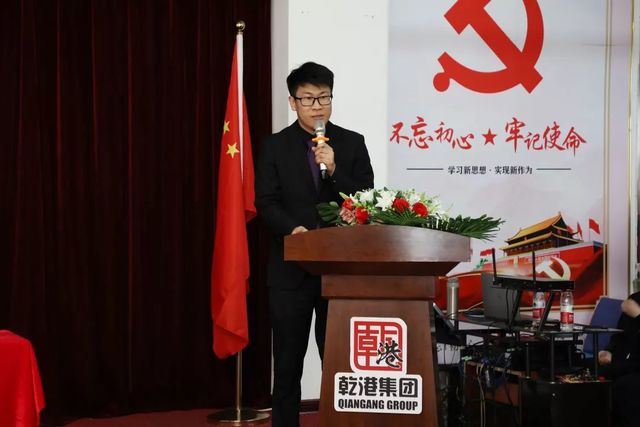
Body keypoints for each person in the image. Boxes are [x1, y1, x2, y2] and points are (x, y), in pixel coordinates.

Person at [255, 62, 374, 426]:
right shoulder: (275, 146)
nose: (317, 106)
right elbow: (266, 202)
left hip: (338, 272)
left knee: (338, 362)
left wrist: (335, 170)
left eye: (324, 97)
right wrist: (294, 230)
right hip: (290, 271)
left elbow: (366, 200)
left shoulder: (352, 143)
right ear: (293, 102)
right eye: (308, 99)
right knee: (287, 365)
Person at [598, 291, 640, 427]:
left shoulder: (632, 306)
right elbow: (620, 334)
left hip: (635, 366)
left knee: (625, 386)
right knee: (589, 373)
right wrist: (608, 350)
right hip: (624, 361)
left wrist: (638, 315)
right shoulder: (634, 300)